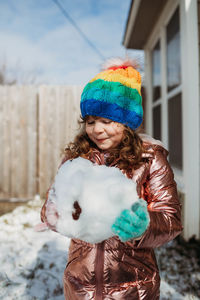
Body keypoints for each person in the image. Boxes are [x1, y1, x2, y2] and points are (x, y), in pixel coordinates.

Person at [41, 57, 182, 299]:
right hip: (80, 285)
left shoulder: (149, 160)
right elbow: (52, 204)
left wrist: (144, 225)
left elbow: (171, 218)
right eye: (91, 121)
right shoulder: (76, 159)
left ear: (128, 122)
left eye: (106, 121)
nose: (97, 129)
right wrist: (55, 213)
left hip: (132, 286)